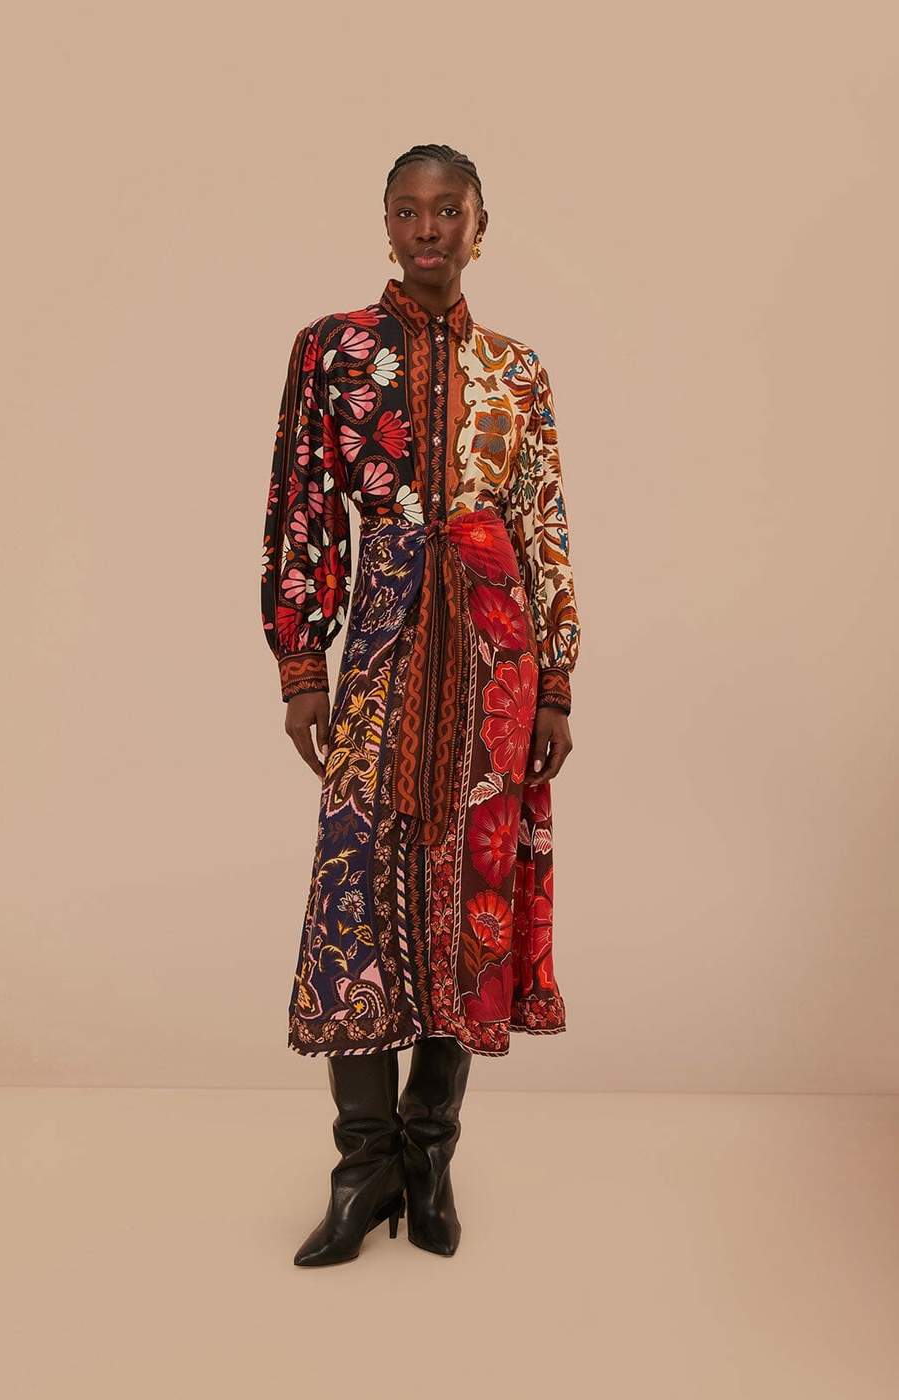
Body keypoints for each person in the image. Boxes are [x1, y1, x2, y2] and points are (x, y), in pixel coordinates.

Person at [260, 143, 580, 1267]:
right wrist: (303, 664)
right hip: (386, 642)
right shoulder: (333, 349)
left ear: (480, 227)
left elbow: (541, 524)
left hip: (496, 659)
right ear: (388, 225)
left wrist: (555, 680)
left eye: (450, 210)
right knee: (355, 892)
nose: (429, 227)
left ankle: (429, 1155)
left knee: (469, 898)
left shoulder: (517, 370)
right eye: (409, 209)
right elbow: (303, 506)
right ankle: (362, 1168)